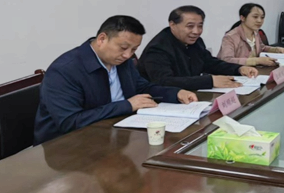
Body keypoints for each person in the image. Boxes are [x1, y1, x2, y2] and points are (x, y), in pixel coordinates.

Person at [33, 16, 198, 145]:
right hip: (67, 148)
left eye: (134, 49)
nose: (128, 55)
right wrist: (127, 105)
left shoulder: (121, 61)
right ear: (102, 39)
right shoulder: (64, 70)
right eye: (123, 48)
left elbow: (142, 88)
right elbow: (70, 122)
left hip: (113, 134)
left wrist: (176, 93)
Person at [138, 6, 259, 91]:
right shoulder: (157, 49)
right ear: (172, 25)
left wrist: (239, 69)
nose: (196, 31)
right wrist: (210, 81)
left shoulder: (195, 42)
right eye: (190, 26)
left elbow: (210, 63)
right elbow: (164, 81)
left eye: (200, 26)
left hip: (191, 95)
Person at [217, 3, 284, 66]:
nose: (259, 21)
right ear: (242, 18)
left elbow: (262, 48)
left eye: (262, 17)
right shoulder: (230, 37)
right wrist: (257, 61)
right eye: (255, 17)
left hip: (252, 72)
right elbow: (226, 60)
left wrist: (277, 50)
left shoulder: (255, 33)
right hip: (234, 74)